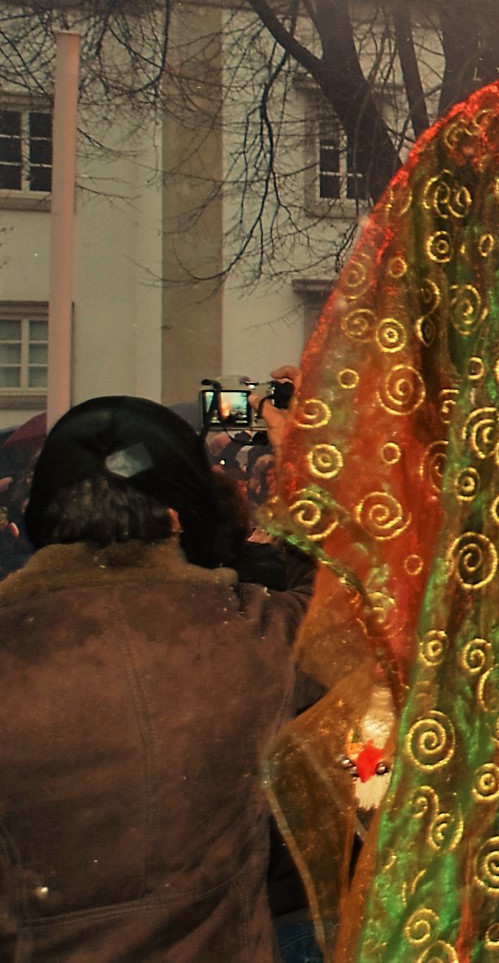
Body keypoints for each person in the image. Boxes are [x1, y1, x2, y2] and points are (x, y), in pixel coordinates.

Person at [0, 397, 313, 959]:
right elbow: (353, 616)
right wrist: (301, 463)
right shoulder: (246, 632)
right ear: (175, 519)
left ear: (39, 517)